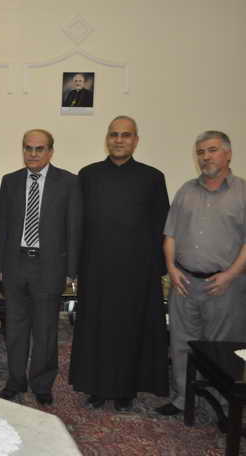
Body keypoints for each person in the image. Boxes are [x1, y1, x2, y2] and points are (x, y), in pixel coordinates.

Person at [69, 115, 170, 412]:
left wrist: (157, 270)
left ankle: (126, 389)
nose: (119, 140)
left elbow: (162, 225)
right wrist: (75, 267)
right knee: (97, 331)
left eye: (126, 135)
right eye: (114, 134)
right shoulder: (88, 175)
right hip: (96, 270)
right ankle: (96, 387)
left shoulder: (153, 178)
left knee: (130, 331)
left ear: (136, 140)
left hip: (136, 272)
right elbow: (77, 224)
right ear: (107, 139)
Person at [155, 131, 246, 417]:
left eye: (212, 150)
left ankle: (221, 404)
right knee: (181, 343)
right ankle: (183, 399)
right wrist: (171, 268)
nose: (206, 157)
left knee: (221, 347)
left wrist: (230, 275)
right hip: (184, 282)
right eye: (201, 152)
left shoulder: (242, 193)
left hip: (225, 285)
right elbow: (170, 235)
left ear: (228, 154)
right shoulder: (186, 191)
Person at [0, 129, 82, 405]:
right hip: (16, 264)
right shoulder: (10, 181)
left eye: (39, 149)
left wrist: (71, 271)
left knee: (45, 330)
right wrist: (0, 264)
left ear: (50, 151)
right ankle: (15, 380)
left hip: (49, 266)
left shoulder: (68, 182)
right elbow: (3, 225)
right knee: (15, 328)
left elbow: (74, 228)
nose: (32, 154)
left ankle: (42, 383)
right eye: (28, 148)